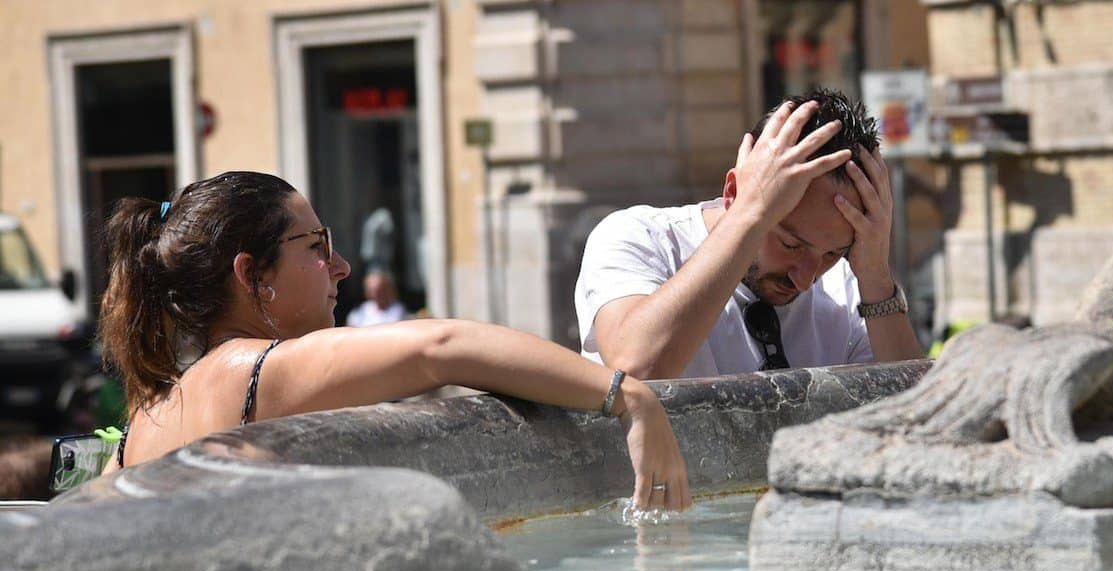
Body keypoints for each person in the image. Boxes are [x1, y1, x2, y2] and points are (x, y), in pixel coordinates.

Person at [98, 171, 689, 510]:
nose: (343, 266)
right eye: (317, 247)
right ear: (252, 275)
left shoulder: (148, 411)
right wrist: (629, 397)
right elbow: (441, 347)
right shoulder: (251, 373)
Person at [574, 88, 925, 379]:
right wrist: (749, 216)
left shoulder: (846, 288)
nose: (805, 279)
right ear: (733, 193)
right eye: (791, 243)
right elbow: (637, 369)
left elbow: (920, 425)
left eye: (833, 254)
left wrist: (876, 277)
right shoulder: (639, 238)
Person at [347, 269, 411, 327]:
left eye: (381, 290)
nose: (377, 294)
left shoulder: (398, 310)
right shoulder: (360, 311)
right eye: (372, 290)